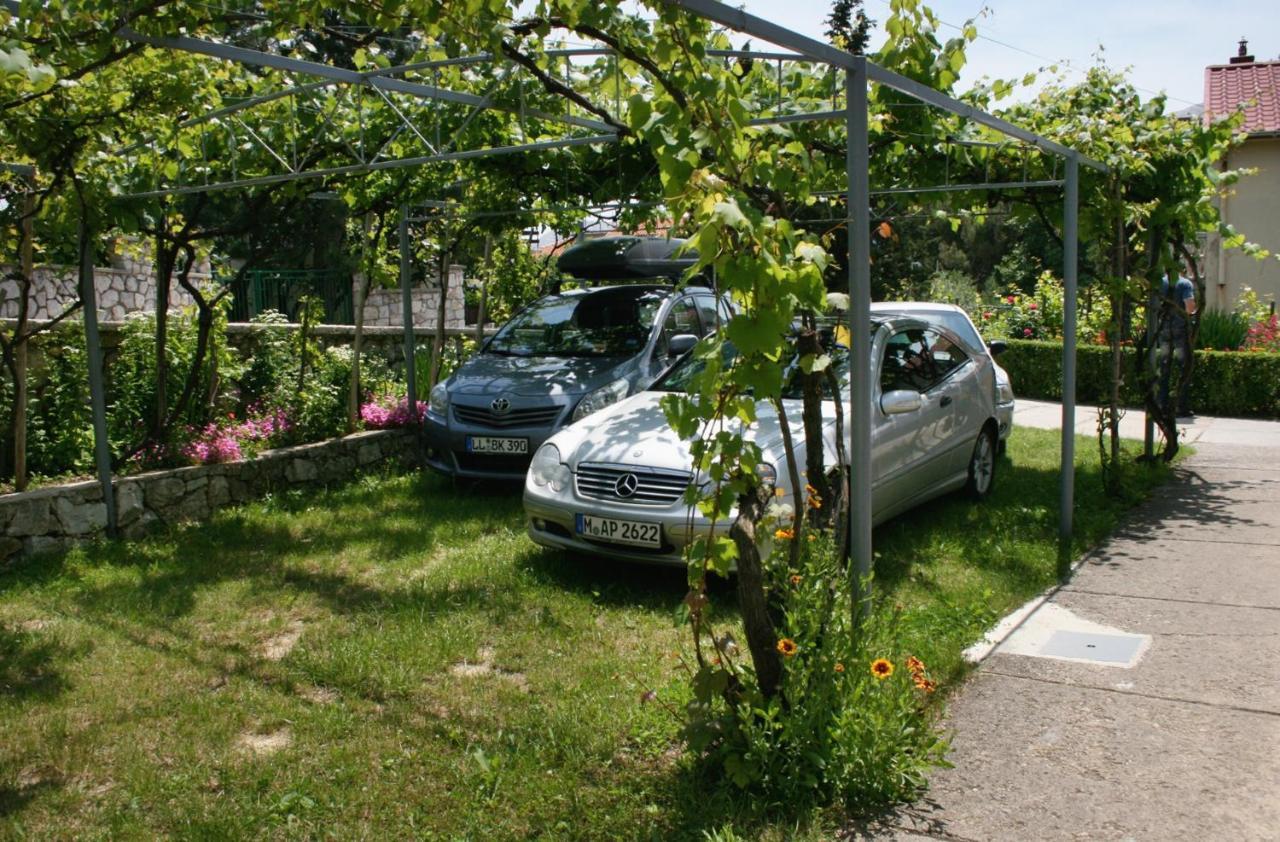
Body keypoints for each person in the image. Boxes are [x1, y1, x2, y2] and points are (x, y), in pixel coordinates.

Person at [1145, 268, 1197, 458]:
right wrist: (1193, 313)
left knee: (1164, 366)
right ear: (1181, 269)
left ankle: (1161, 401)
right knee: (1184, 368)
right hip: (1180, 330)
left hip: (1163, 330)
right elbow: (1189, 306)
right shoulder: (1184, 284)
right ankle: (1182, 407)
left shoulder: (1160, 282)